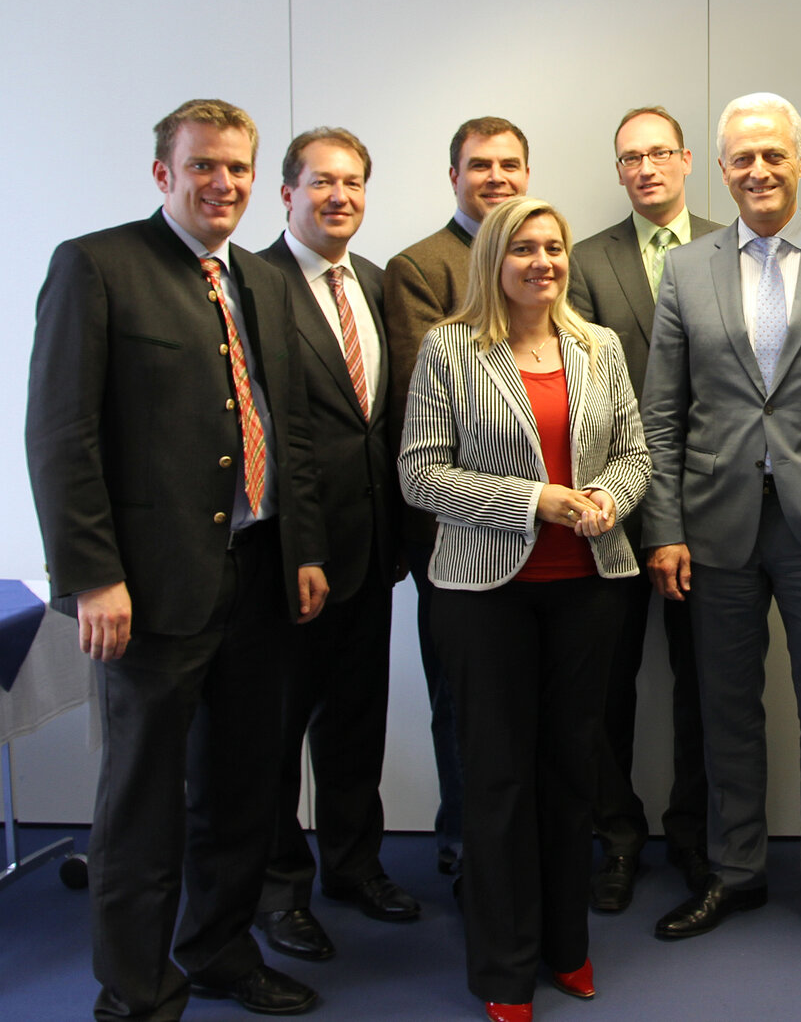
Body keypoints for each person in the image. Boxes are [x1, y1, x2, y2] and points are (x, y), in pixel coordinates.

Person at [25, 98, 328, 1019]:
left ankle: (219, 952)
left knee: (241, 792)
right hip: (149, 590)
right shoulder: (97, 266)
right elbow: (61, 433)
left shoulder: (262, 278)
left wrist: (303, 549)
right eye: (203, 165)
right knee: (144, 803)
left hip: (257, 574)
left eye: (237, 168)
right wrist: (92, 575)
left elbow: (285, 424)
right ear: (164, 173)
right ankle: (136, 991)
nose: (222, 183)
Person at [642, 92, 801, 962]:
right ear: (721, 169)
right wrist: (664, 526)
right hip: (713, 525)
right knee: (725, 707)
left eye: (773, 155)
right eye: (742, 158)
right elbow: (662, 415)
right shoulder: (686, 271)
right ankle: (735, 867)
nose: (758, 171)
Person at [398, 196, 650, 1022]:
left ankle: (565, 944)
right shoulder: (450, 349)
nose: (543, 262)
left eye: (554, 247)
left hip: (587, 588)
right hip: (484, 595)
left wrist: (607, 497)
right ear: (493, 260)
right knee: (499, 779)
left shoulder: (598, 345)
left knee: (572, 771)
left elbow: (634, 453)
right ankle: (504, 966)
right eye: (524, 249)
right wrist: (535, 500)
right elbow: (420, 474)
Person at [254, 127, 419, 964]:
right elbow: (269, 434)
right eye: (322, 182)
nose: (339, 196)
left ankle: (353, 866)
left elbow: (376, 423)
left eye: (352, 182)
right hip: (293, 557)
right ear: (287, 193)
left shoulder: (377, 282)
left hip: (371, 550)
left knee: (356, 723)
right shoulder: (253, 284)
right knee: (276, 735)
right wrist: (302, 547)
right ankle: (277, 891)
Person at [568, 106, 718, 913]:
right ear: (619, 170)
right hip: (612, 509)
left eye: (660, 152)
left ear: (688, 159)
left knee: (707, 685)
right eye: (631, 157)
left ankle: (695, 837)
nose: (647, 167)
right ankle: (617, 835)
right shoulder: (585, 261)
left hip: (717, 504)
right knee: (605, 687)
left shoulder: (734, 245)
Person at [384, 116, 529, 878]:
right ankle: (467, 843)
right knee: (462, 694)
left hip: (539, 526)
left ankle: (521, 841)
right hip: (451, 525)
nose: (496, 177)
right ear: (454, 177)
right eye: (480, 165)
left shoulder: (542, 257)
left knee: (524, 694)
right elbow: (425, 400)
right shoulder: (420, 267)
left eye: (509, 164)